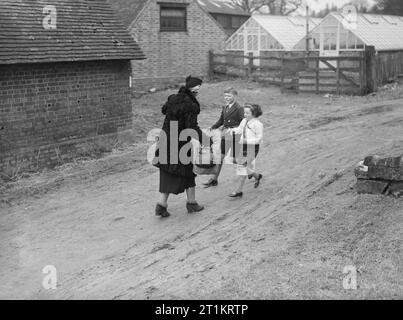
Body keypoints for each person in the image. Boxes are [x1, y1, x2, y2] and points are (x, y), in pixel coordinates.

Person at [153, 76, 211, 218]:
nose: (198, 91)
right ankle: (191, 203)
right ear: (194, 89)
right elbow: (191, 127)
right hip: (180, 143)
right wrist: (205, 140)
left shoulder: (173, 98)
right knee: (188, 172)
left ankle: (161, 205)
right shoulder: (191, 105)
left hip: (166, 139)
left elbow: (163, 110)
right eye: (197, 89)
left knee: (167, 172)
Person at [203, 88, 244, 188]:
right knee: (220, 158)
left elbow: (243, 123)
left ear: (235, 96)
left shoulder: (239, 108)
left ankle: (253, 174)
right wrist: (213, 127)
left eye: (229, 96)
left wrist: (236, 130)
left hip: (235, 136)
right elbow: (221, 120)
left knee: (235, 159)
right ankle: (214, 179)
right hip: (226, 135)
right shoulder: (225, 107)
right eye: (225, 96)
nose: (227, 98)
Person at [228, 104, 263, 198]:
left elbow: (259, 139)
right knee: (244, 167)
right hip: (242, 146)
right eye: (244, 112)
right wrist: (232, 130)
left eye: (247, 113)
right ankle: (257, 176)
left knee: (243, 169)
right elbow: (240, 129)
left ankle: (238, 191)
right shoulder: (244, 121)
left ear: (254, 113)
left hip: (252, 148)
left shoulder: (258, 124)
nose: (245, 114)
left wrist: (246, 141)